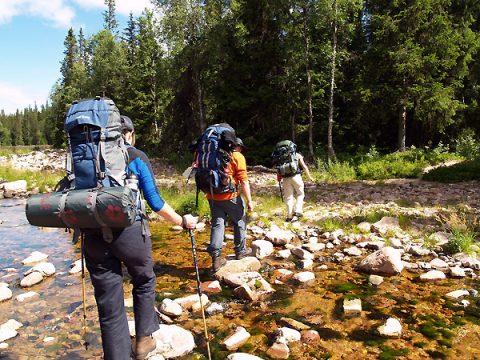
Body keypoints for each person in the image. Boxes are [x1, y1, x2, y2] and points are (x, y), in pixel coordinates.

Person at [83, 115, 197, 360]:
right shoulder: (135, 156)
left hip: (92, 234)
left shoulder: (85, 157)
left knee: (108, 302)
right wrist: (183, 221)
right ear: (129, 134)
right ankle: (144, 341)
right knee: (144, 280)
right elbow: (155, 202)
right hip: (130, 233)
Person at [206, 135, 254, 273]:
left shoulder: (210, 154)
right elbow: (244, 181)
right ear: (236, 146)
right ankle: (241, 251)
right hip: (230, 196)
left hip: (212, 196)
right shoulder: (237, 156)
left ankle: (216, 260)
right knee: (239, 219)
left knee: (217, 223)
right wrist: (249, 201)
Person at [281, 150, 314, 222]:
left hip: (285, 178)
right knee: (300, 194)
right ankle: (298, 211)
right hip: (296, 176)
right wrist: (309, 177)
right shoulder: (297, 155)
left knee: (288, 197)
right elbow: (304, 167)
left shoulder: (281, 156)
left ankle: (289, 216)